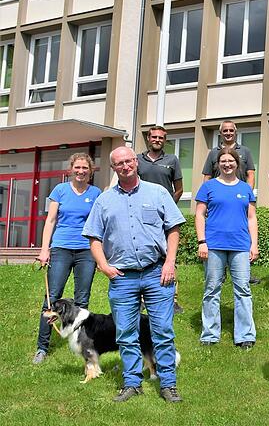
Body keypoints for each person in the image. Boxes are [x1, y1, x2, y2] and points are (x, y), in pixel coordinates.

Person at [83, 146, 186, 403]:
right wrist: (104, 266)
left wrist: (170, 263)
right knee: (126, 333)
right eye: (119, 163)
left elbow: (173, 229)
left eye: (129, 161)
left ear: (136, 163)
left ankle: (168, 384)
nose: (125, 166)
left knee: (162, 330)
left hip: (157, 273)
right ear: (113, 168)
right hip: (122, 278)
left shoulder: (158, 193)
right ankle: (131, 383)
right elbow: (94, 238)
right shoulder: (104, 200)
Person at [33, 153, 101, 364]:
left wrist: (100, 255)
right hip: (61, 248)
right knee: (52, 298)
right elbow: (51, 221)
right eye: (77, 167)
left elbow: (100, 225)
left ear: (90, 171)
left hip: (86, 251)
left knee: (82, 299)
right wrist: (45, 250)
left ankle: (81, 344)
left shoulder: (96, 193)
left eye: (85, 168)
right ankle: (42, 348)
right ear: (71, 169)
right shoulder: (60, 190)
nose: (81, 171)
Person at [195, 148, 258, 349]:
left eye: (231, 160)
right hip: (213, 245)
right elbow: (199, 215)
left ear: (237, 164)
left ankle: (245, 335)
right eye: (223, 161)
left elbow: (252, 218)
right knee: (212, 289)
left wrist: (254, 244)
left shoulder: (246, 188)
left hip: (240, 245)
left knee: (243, 290)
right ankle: (210, 334)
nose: (227, 164)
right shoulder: (208, 187)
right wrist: (201, 241)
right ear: (218, 164)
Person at [202, 120, 260, 285]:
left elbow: (251, 174)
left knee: (241, 234)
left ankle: (242, 272)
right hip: (218, 199)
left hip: (239, 200)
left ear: (236, 132)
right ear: (221, 133)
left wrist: (246, 193)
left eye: (231, 130)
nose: (228, 133)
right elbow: (207, 176)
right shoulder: (213, 153)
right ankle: (220, 272)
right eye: (225, 131)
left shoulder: (245, 151)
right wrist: (208, 198)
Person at [137, 125, 185, 314]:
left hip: (163, 216)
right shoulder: (137, 160)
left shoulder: (172, 160)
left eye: (161, 138)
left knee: (170, 254)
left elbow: (179, 188)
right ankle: (141, 297)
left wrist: (168, 206)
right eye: (154, 137)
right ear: (148, 139)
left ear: (165, 140)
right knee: (143, 252)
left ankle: (172, 298)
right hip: (141, 215)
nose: (157, 140)